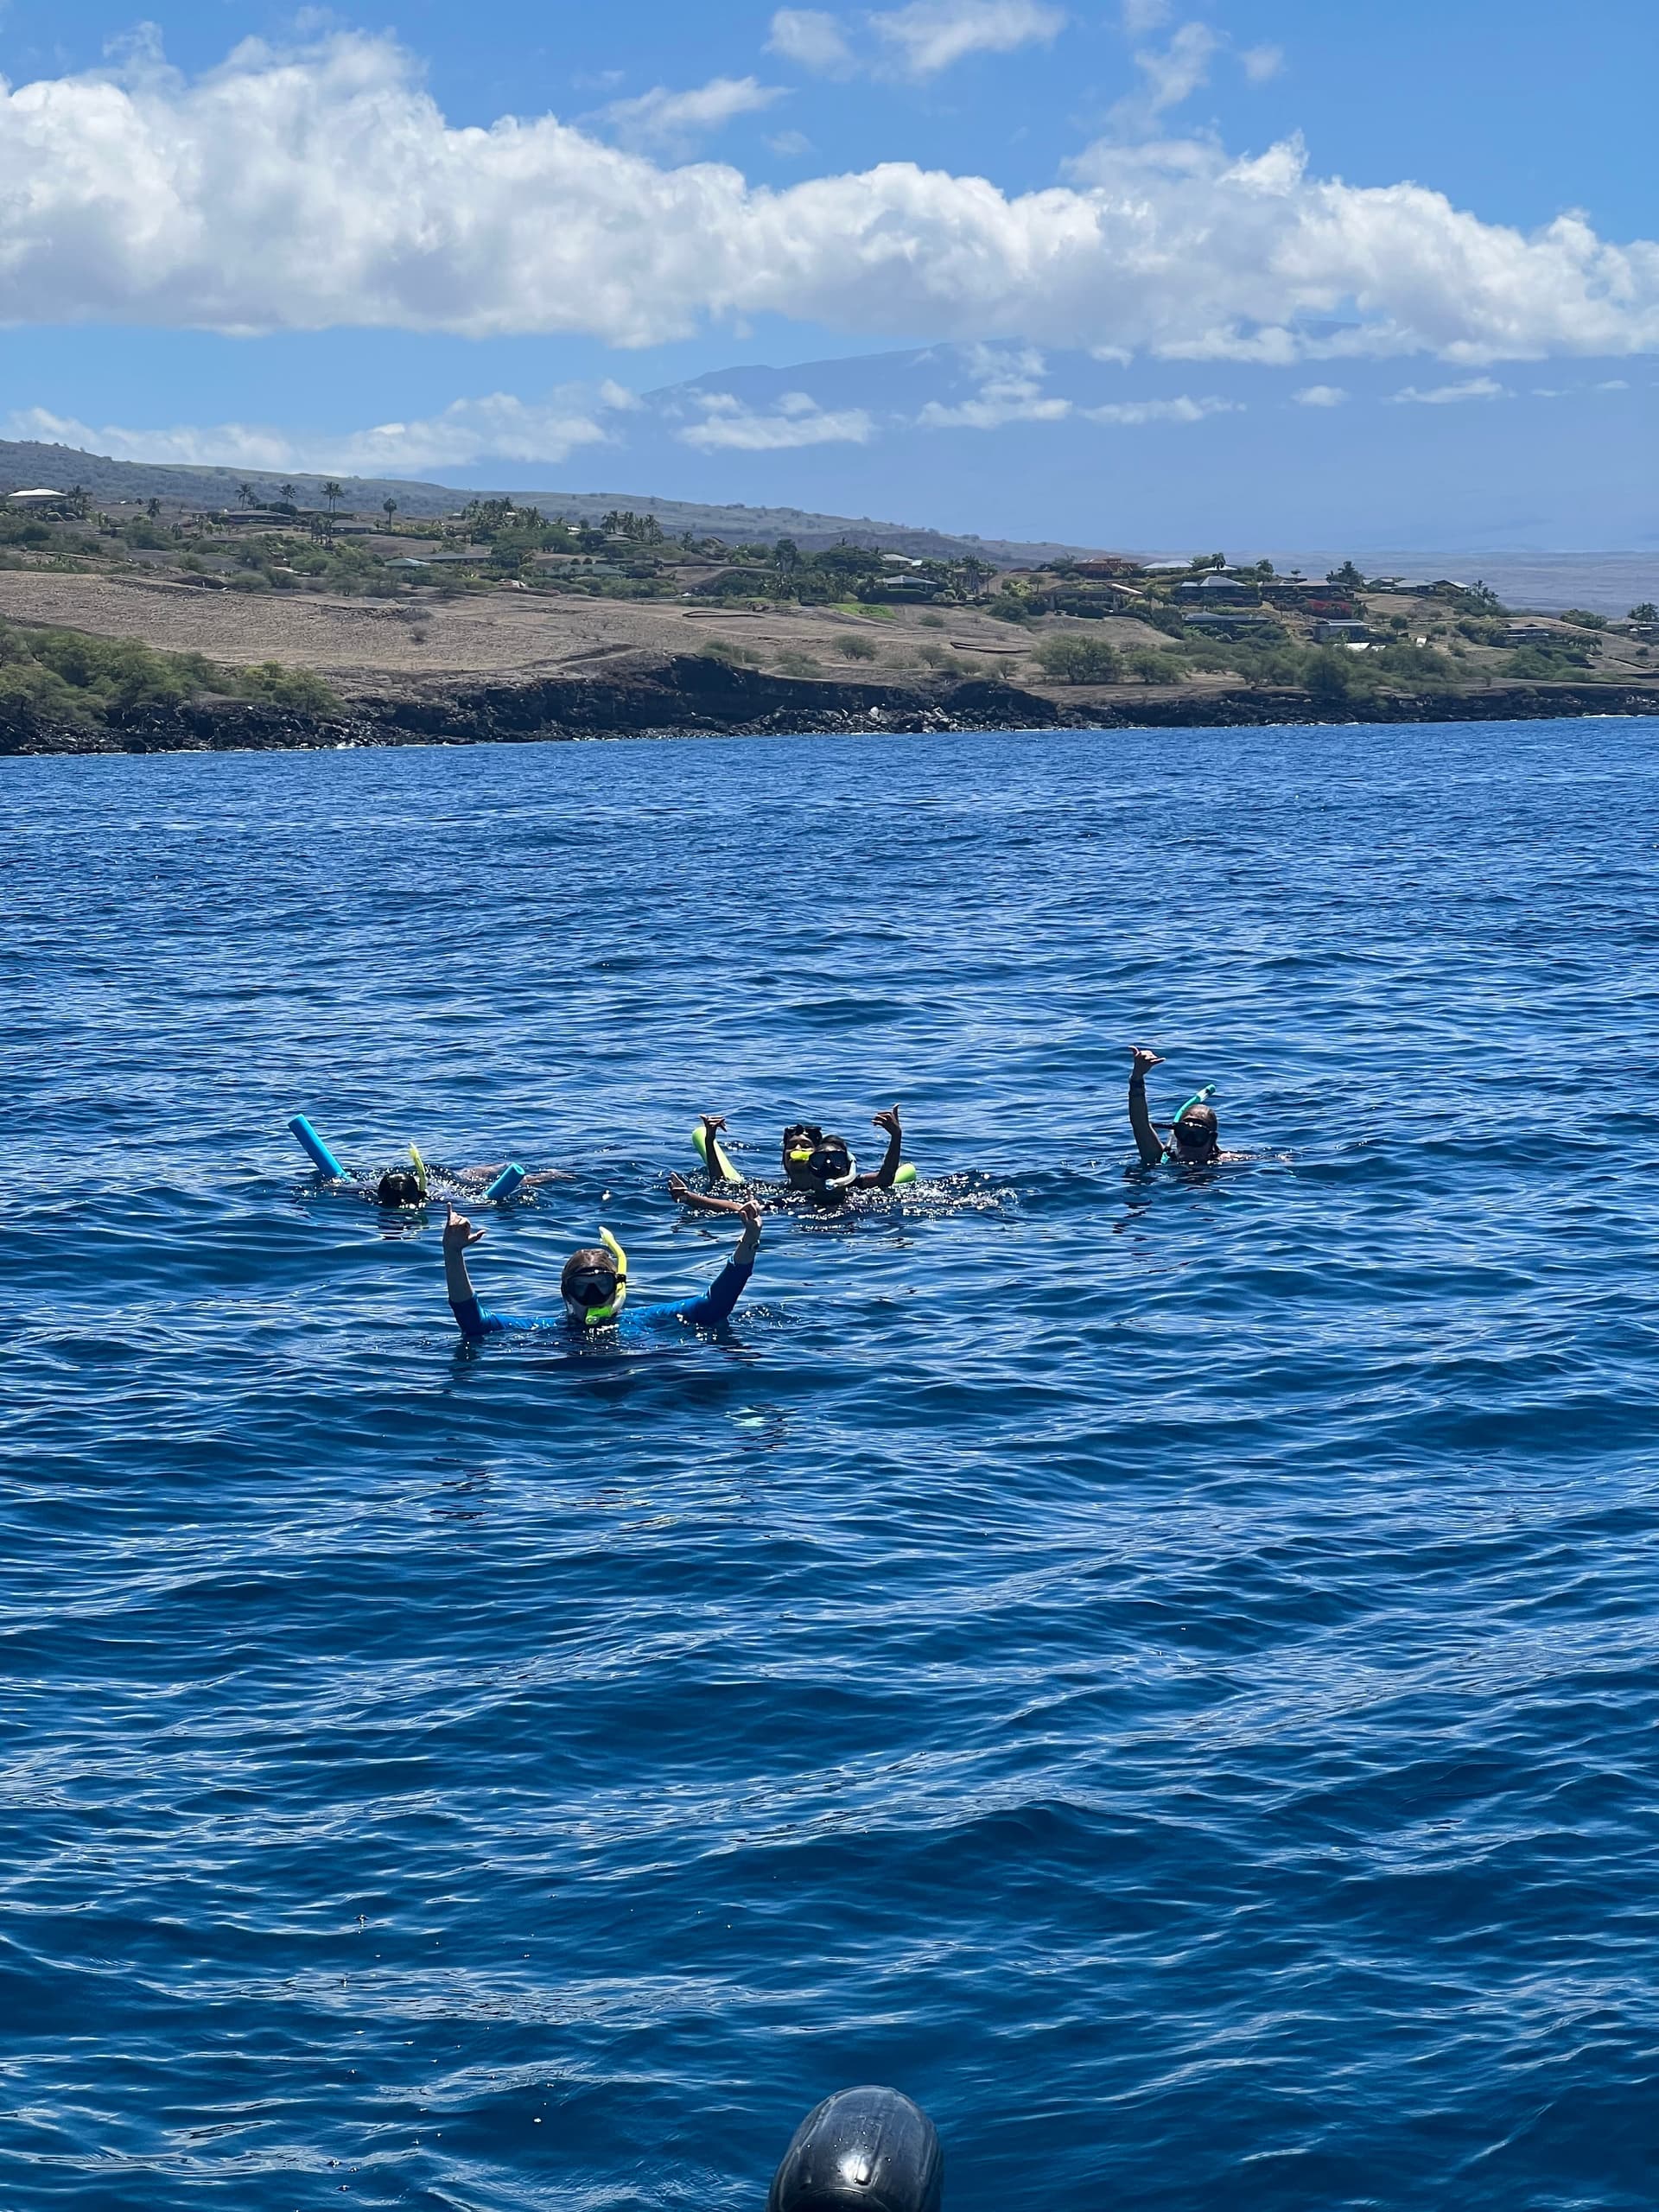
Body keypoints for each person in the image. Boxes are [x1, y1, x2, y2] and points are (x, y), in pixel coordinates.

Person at [442, 1199, 763, 1340]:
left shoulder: (648, 1321)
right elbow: (475, 1324)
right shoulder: (543, 1330)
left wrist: (749, 1240)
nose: (594, 1297)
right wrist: (453, 1253)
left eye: (602, 1286)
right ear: (566, 1294)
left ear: (618, 1287)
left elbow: (714, 1305)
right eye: (583, 1288)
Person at [669, 1107, 906, 1213]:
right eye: (792, 1147)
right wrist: (690, 1197)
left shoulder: (853, 1187)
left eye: (805, 1147)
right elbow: (734, 1202)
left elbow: (886, 1177)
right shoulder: (787, 1197)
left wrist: (896, 1136)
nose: (798, 1151)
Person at [1128, 1047, 1229, 1166]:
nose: (1188, 1143)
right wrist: (1137, 1078)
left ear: (1212, 1139)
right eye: (1183, 1132)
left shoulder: (1228, 1162)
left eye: (1198, 1135)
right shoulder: (1160, 1158)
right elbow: (1140, 1123)